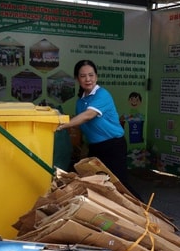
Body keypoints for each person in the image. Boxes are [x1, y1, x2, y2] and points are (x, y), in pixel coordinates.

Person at [56, 59, 142, 201]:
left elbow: (88, 116)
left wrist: (63, 124)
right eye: (83, 76)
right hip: (96, 148)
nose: (88, 79)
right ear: (77, 79)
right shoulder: (81, 101)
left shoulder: (102, 95)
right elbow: (82, 123)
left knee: (119, 184)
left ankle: (145, 213)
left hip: (113, 146)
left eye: (91, 75)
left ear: (96, 76)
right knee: (97, 184)